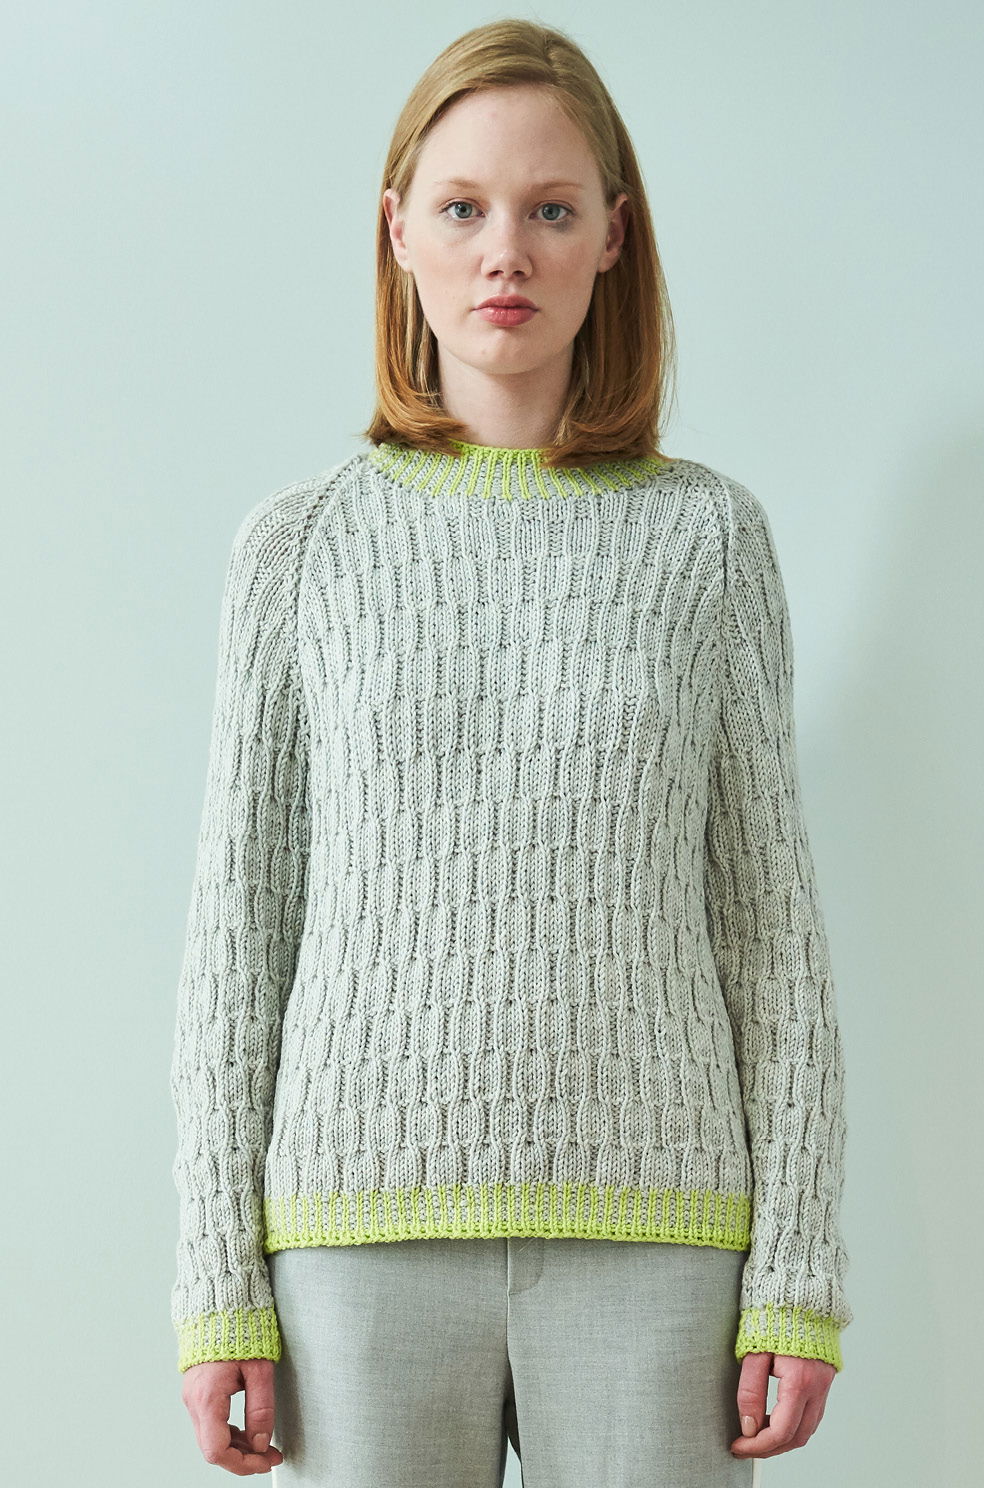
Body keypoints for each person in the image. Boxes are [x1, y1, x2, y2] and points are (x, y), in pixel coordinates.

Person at [170, 17, 853, 1486]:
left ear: (614, 237)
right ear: (397, 231)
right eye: (464, 207)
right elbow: (240, 930)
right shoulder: (298, 551)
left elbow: (771, 932)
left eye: (550, 210)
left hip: (663, 1241)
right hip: (354, 1240)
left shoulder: (709, 543)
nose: (505, 254)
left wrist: (797, 1265)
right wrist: (215, 1277)